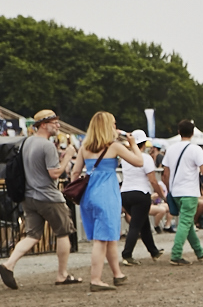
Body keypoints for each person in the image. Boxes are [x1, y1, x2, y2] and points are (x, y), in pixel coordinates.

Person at [0, 110, 80, 289]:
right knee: (63, 232)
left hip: (29, 197)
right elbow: (55, 173)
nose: (58, 125)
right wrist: (67, 156)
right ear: (44, 124)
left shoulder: (27, 142)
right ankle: (62, 274)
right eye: (55, 122)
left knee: (32, 235)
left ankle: (9, 264)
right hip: (49, 197)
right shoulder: (47, 145)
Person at [69, 112, 144, 290]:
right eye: (113, 124)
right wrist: (133, 144)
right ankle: (95, 279)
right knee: (101, 239)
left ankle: (117, 274)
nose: (116, 127)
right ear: (106, 126)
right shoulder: (114, 147)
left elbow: (75, 173)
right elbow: (139, 162)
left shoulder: (84, 147)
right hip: (107, 195)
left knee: (108, 236)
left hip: (89, 195)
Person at [161, 120, 203, 265]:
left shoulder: (171, 149)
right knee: (185, 223)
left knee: (186, 223)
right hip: (189, 191)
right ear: (193, 132)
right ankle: (176, 254)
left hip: (175, 191)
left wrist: (169, 187)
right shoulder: (195, 149)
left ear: (178, 132)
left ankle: (199, 251)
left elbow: (165, 173)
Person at [119, 130, 165, 265]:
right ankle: (127, 254)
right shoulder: (146, 158)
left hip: (125, 193)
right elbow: (152, 180)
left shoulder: (125, 157)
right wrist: (161, 194)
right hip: (140, 193)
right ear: (144, 143)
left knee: (143, 223)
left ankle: (153, 251)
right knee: (135, 225)